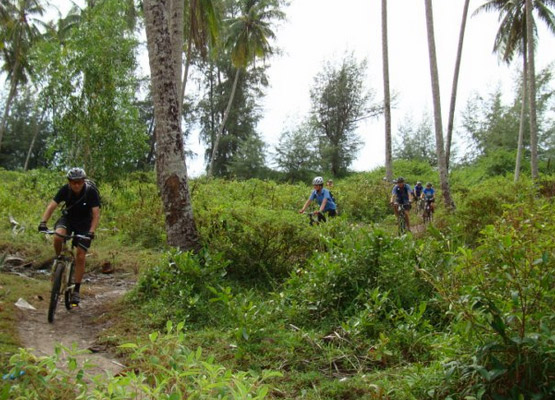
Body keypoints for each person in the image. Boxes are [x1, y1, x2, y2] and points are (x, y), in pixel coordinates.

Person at [38, 168, 101, 307]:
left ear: (83, 181)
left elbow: (96, 214)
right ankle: (59, 259)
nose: (76, 185)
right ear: (69, 182)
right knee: (57, 237)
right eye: (73, 182)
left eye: (79, 182)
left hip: (85, 224)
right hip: (68, 219)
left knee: (80, 255)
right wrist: (43, 222)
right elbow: (52, 206)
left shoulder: (90, 192)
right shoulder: (65, 190)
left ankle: (76, 290)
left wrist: (91, 231)